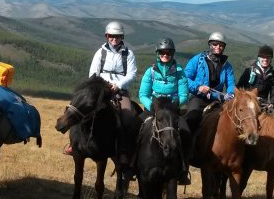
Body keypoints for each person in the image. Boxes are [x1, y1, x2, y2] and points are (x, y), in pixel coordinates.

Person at [64, 21, 138, 158]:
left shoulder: (129, 54)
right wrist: (102, 86)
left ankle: (123, 150)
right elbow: (93, 73)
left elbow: (132, 74)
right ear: (106, 36)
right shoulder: (100, 52)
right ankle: (74, 144)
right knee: (81, 109)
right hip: (100, 91)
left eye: (117, 36)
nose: (114, 38)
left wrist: (118, 85)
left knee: (128, 117)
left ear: (122, 37)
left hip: (120, 91)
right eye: (111, 35)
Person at [138, 38, 192, 184]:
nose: (165, 55)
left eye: (168, 52)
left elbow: (183, 94)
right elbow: (143, 94)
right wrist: (152, 106)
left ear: (172, 54)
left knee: (186, 132)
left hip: (172, 109)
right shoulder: (151, 71)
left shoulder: (179, 72)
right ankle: (132, 164)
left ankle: (182, 169)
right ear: (158, 54)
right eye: (162, 52)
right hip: (154, 108)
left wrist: (174, 107)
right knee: (136, 128)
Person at [183, 31, 236, 135]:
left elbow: (231, 84)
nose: (218, 47)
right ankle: (187, 147)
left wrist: (231, 94)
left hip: (217, 100)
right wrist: (198, 87)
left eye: (221, 45)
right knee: (192, 119)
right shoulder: (197, 60)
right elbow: (185, 79)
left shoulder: (227, 66)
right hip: (198, 98)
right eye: (215, 44)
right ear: (210, 45)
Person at [237, 44, 274, 113]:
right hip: (248, 104)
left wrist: (272, 103)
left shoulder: (272, 74)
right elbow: (239, 87)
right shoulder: (249, 71)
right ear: (259, 58)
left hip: (263, 105)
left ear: (271, 59)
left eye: (268, 57)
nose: (265, 59)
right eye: (263, 57)